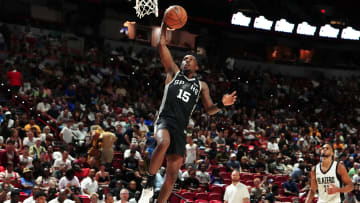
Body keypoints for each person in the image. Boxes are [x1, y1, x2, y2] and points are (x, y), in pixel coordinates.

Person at [141, 14, 237, 203]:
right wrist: (165, 24)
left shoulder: (201, 85)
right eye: (184, 59)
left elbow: (209, 109)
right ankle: (149, 183)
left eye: (190, 59)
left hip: (181, 127)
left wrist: (221, 104)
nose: (185, 61)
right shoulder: (173, 72)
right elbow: (161, 45)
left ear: (197, 66)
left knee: (172, 176)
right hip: (165, 120)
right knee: (163, 143)